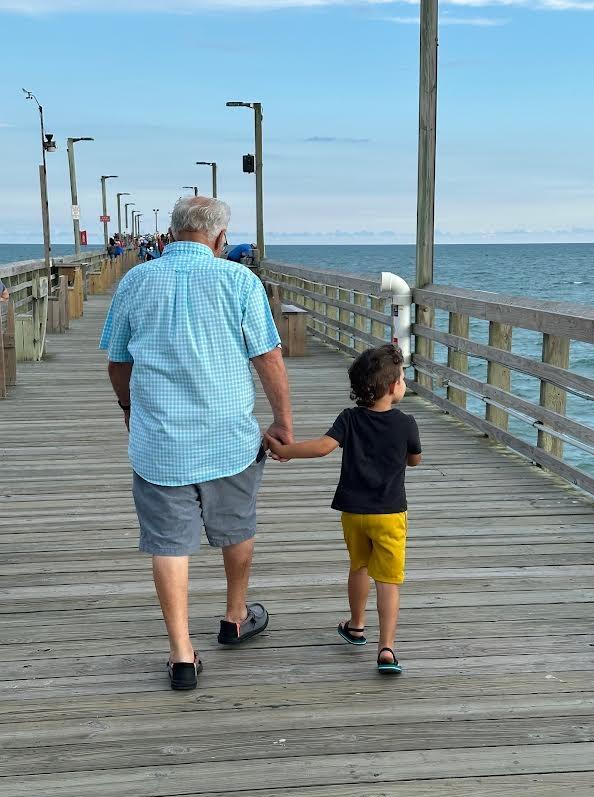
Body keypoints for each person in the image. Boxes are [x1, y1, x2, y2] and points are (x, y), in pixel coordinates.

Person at [100, 196, 293, 691]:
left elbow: (118, 363)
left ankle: (181, 653)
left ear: (171, 233)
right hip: (228, 435)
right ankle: (234, 615)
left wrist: (127, 407)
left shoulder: (136, 281)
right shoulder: (240, 281)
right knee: (236, 524)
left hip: (159, 440)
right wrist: (283, 421)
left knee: (168, 543)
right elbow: (268, 358)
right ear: (220, 238)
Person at [266, 344, 421, 675]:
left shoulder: (349, 418)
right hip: (390, 514)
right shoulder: (407, 424)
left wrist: (288, 451)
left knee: (359, 566)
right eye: (403, 376)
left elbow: (323, 448)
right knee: (389, 581)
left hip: (353, 512)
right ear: (393, 387)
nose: (404, 381)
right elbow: (415, 459)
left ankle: (356, 625)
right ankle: (387, 649)